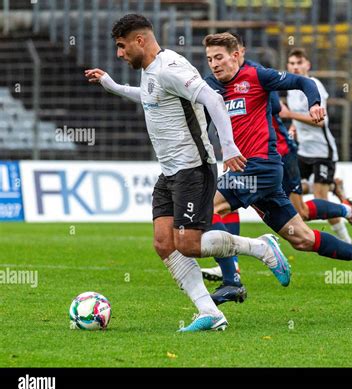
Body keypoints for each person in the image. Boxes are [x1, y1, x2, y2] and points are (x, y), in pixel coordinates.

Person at [84, 14, 291, 332]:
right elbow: (151, 96)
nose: (120, 54)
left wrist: (230, 146)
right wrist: (111, 85)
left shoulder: (170, 67)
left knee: (189, 243)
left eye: (122, 47)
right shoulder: (151, 71)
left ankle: (261, 247)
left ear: (140, 41)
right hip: (169, 172)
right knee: (163, 242)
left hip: (194, 169)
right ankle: (211, 313)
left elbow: (213, 98)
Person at [202, 32, 352, 301]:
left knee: (210, 207)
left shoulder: (257, 76)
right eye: (209, 59)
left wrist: (315, 103)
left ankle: (232, 281)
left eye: (219, 57)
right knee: (303, 239)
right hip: (253, 173)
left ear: (237, 55)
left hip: (260, 167)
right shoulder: (211, 86)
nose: (214, 64)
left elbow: (303, 82)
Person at [282, 47, 352, 244]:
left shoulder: (314, 85)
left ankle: (347, 242)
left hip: (322, 152)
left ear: (307, 65)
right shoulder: (292, 89)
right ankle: (335, 185)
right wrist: (293, 128)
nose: (295, 67)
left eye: (299, 63)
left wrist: (290, 116)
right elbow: (298, 115)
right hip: (303, 151)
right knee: (289, 189)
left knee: (321, 200)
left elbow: (320, 121)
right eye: (292, 64)